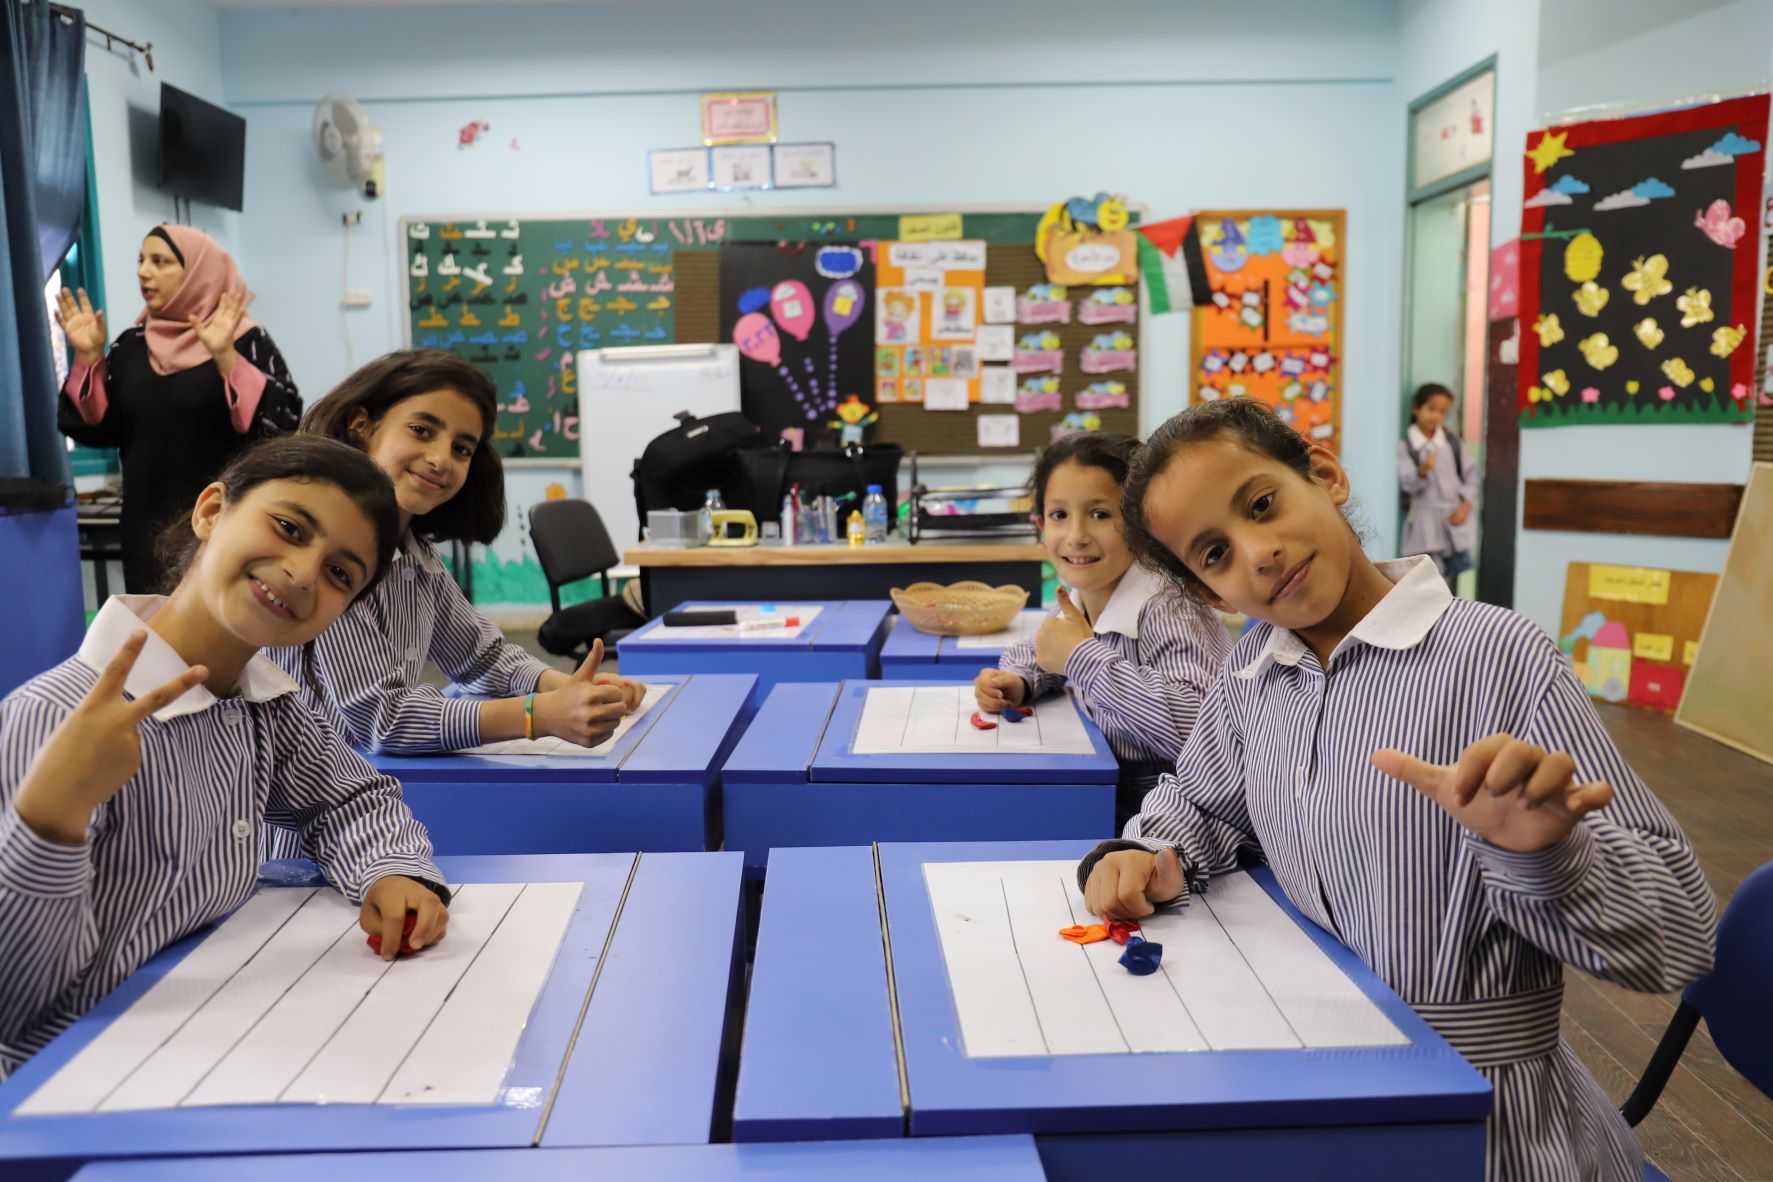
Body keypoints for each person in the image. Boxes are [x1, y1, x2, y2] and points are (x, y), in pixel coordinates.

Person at [1079, 398, 1714, 1182]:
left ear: (1324, 474)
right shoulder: (1253, 675)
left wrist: (1553, 853)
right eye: (1214, 554)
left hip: (1491, 1127)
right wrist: (1151, 850)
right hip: (1320, 1084)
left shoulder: (1494, 656)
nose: (1259, 553)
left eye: (1262, 504)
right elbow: (1202, 799)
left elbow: (1680, 938)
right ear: (1209, 595)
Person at [0, 436, 449, 1079]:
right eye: (290, 528)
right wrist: (53, 820)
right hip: (74, 1075)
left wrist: (391, 871)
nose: (302, 573)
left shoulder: (266, 702)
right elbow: (16, 1008)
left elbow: (348, 798)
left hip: (206, 1035)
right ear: (211, 511)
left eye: (339, 575)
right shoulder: (57, 717)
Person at [269, 350, 642, 763]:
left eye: (462, 449)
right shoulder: (327, 559)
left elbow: (482, 657)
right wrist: (537, 715)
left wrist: (573, 690)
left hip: (369, 785)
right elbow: (384, 720)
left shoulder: (415, 554)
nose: (440, 459)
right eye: (421, 430)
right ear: (361, 425)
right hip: (311, 808)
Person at [975, 432, 1230, 828]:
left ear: (1142, 523)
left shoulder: (1170, 609)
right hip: (1108, 802)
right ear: (1040, 524)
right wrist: (1017, 680)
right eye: (1060, 515)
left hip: (1186, 821)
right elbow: (1044, 648)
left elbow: (1202, 734)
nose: (1076, 535)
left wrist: (1082, 658)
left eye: (1100, 514)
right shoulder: (1082, 598)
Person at [55, 225, 301, 593]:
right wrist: (90, 359)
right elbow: (99, 429)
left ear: (198, 271)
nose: (143, 271)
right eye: (141, 260)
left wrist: (227, 359)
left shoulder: (243, 338)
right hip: (145, 529)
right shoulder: (132, 345)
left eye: (160, 261)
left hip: (222, 522)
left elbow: (283, 425)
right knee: (155, 631)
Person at [1397, 382, 1478, 591]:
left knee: (1452, 582)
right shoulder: (1407, 446)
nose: (1436, 416)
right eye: (1431, 409)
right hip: (1425, 527)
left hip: (1454, 523)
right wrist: (1422, 471)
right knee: (1428, 584)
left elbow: (1471, 475)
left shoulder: (1452, 442)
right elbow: (1408, 485)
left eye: (1442, 412)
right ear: (1416, 408)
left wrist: (1465, 506)